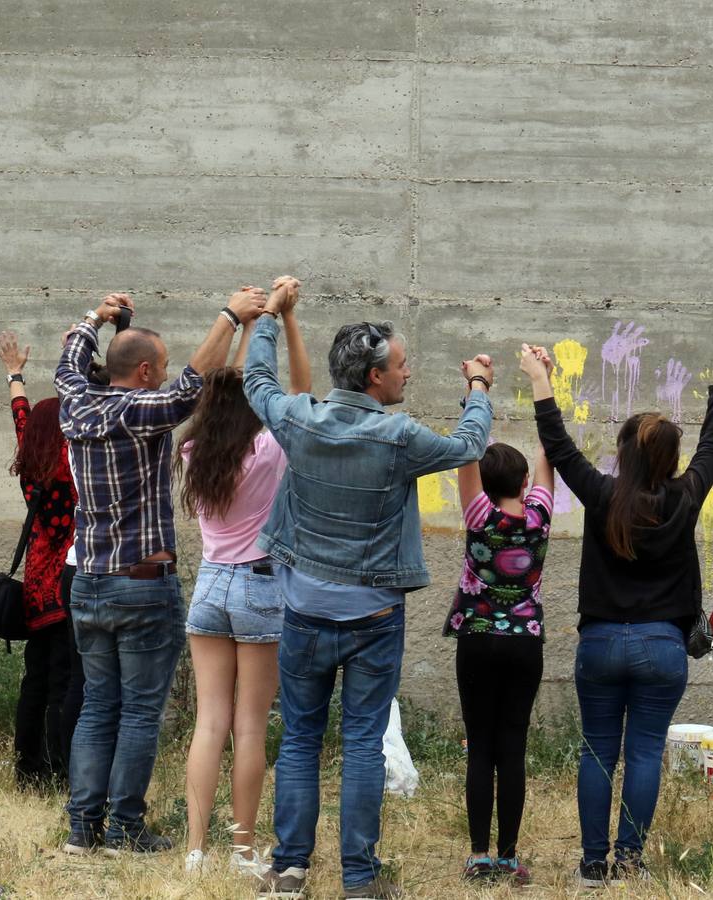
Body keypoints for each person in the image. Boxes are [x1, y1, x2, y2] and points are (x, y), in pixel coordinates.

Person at [244, 277, 495, 900]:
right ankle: (358, 880)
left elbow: (257, 381)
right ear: (374, 379)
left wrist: (272, 317)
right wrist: (479, 390)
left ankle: (289, 871)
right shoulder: (398, 437)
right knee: (361, 742)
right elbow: (470, 445)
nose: (408, 374)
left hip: (303, 610)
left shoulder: (300, 422)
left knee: (301, 737)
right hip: (375, 616)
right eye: (402, 366)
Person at [57, 287, 267, 856]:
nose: (169, 372)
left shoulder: (76, 401)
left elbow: (69, 361)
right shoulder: (137, 411)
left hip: (89, 581)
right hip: (141, 582)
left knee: (99, 705)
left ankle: (82, 830)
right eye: (162, 365)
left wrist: (96, 319)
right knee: (140, 712)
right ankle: (125, 829)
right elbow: (189, 389)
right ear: (145, 372)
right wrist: (229, 316)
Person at [529, 336, 713, 887]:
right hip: (662, 648)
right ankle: (629, 862)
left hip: (599, 645)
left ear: (623, 455)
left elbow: (559, 444)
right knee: (643, 753)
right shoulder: (686, 497)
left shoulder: (601, 494)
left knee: (597, 751)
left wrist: (539, 377)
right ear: (670, 459)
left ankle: (592, 865)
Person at [177, 281, 311, 876]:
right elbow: (302, 395)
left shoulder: (195, 452)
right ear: (257, 403)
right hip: (261, 587)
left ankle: (195, 849)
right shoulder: (269, 448)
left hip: (209, 585)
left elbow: (225, 388)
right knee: (250, 726)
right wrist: (284, 320)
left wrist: (248, 321)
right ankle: (242, 848)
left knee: (211, 721)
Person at [445, 347, 556, 886]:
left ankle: (478, 855)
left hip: (478, 639)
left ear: (486, 483)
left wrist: (476, 388)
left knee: (480, 746)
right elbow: (547, 457)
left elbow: (468, 448)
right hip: (525, 642)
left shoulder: (477, 514)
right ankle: (510, 856)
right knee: (513, 747)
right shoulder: (538, 517)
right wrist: (545, 384)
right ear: (520, 484)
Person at [0, 331, 82, 792]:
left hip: (35, 590)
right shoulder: (71, 469)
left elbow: (23, 420)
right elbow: (61, 417)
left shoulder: (33, 469)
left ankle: (29, 770)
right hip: (68, 589)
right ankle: (61, 771)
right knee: (65, 684)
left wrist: (15, 375)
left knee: (36, 680)